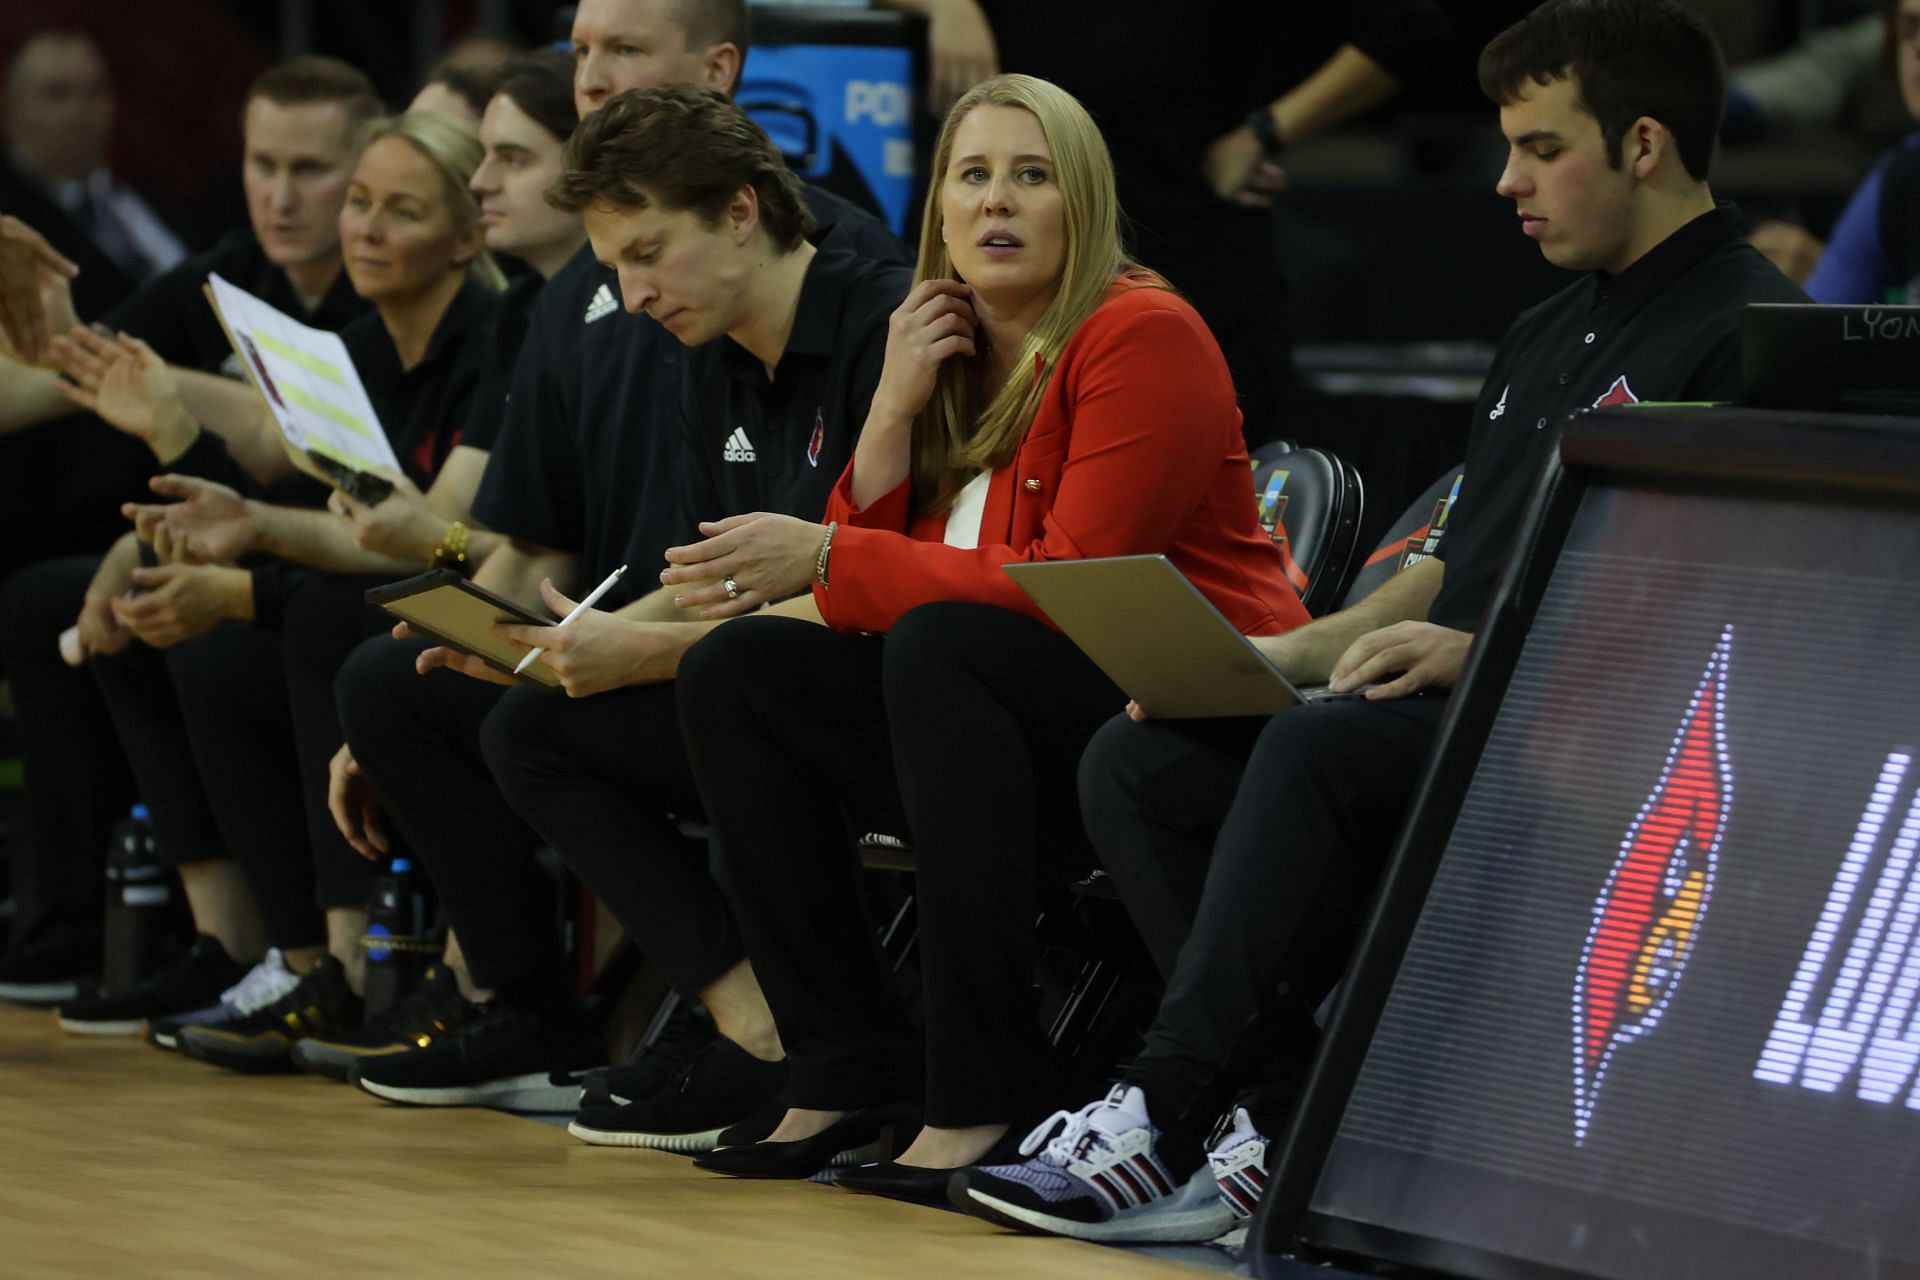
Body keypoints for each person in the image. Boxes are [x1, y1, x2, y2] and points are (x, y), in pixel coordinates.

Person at [948, 0, 1808, 1244]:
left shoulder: (1750, 334)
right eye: (1506, 145)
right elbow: (1444, 567)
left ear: (1645, 145)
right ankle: (1273, 1111)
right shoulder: (1541, 326)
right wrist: (1272, 654)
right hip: (1453, 699)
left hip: (1588, 737)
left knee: (1320, 748)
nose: (1508, 180)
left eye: (1543, 148)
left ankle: (1160, 1105)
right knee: (1142, 752)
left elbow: (1725, 621)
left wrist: (1482, 650)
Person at [669, 72, 1309, 1198]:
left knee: (942, 645)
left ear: (1086, 203)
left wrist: (827, 557)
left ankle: (982, 1091)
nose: (997, 202)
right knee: (742, 668)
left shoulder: (1140, 332)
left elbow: (1071, 589)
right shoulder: (939, 342)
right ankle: (846, 1058)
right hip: (979, 717)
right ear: (942, 212)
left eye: (1032, 175)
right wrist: (890, 407)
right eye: (973, 176)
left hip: (1179, 715)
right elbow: (855, 589)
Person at [325, 0, 902, 1112]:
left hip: (840, 682)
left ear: (740, 211)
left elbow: (842, 589)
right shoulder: (676, 331)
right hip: (723, 657)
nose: (633, 293)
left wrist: (624, 649)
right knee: (466, 698)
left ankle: (800, 1036)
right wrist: (550, 644)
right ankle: (730, 1015)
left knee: (722, 681)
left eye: (647, 254)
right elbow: (666, 567)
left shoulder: (869, 303)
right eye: (581, 50)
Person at [44, 111, 507, 1067]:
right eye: (363, 206)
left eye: (401, 211)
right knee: (190, 634)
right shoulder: (366, 343)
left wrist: (243, 543)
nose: (365, 229)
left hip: (474, 599)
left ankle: (357, 961)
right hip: (370, 589)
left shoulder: (496, 339)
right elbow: (267, 447)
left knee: (315, 613)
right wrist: (152, 411)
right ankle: (275, 951)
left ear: (468, 234)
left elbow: (444, 545)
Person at [0, 56, 380, 1008]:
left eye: (310, 170)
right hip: (238, 537)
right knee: (71, 598)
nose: (280, 196)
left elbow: (339, 479)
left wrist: (172, 408)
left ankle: (320, 955)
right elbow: (61, 376)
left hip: (347, 560)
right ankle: (161, 932)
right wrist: (52, 347)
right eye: (262, 165)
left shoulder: (391, 288)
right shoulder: (221, 276)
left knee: (202, 623)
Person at [0, 29, 184, 303]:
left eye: (95, 90)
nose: (81, 108)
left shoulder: (149, 190)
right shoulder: (10, 228)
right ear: (9, 108)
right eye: (57, 94)